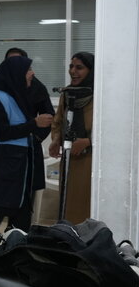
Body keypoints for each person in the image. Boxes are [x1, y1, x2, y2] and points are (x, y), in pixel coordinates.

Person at [0, 55, 52, 236]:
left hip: (20, 174)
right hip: (4, 172)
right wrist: (34, 124)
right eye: (28, 70)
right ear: (16, 73)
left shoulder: (16, 97)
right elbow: (1, 133)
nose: (32, 73)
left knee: (21, 228)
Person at [48, 51, 94, 224]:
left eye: (79, 68)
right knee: (67, 204)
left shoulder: (100, 96)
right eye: (71, 66)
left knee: (86, 207)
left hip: (91, 163)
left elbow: (111, 130)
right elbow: (58, 122)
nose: (73, 71)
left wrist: (88, 142)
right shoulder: (68, 94)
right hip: (69, 161)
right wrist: (55, 140)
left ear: (91, 71)